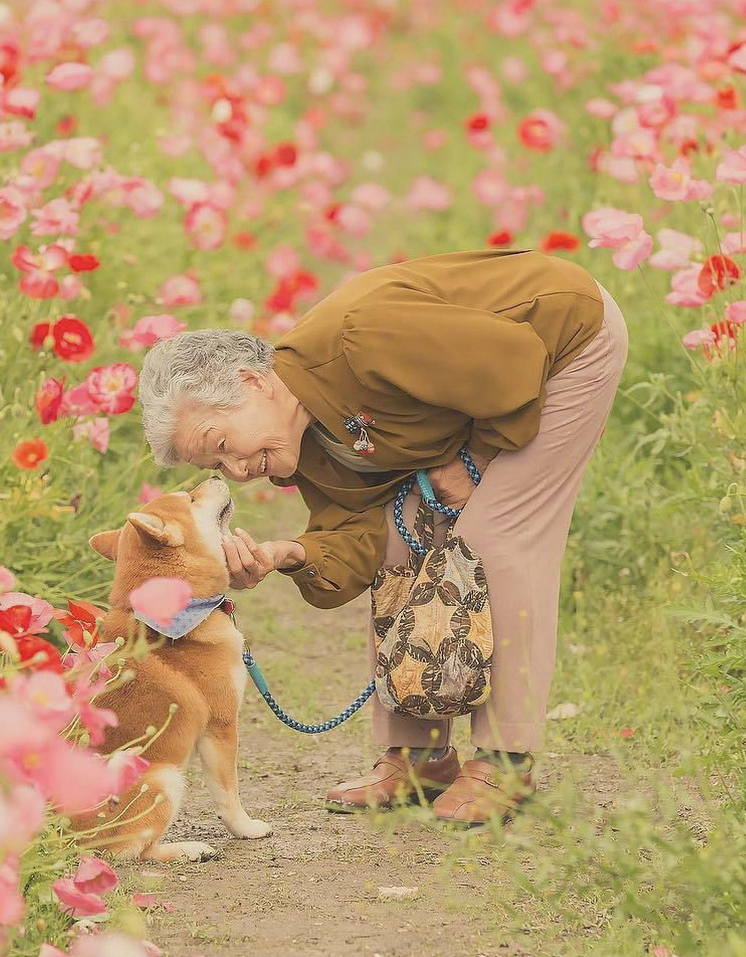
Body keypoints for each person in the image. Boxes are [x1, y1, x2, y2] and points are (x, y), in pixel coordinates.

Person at [137, 246, 629, 826]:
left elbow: (516, 362)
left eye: (223, 444)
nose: (239, 472)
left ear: (252, 383)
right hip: (491, 389)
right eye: (218, 467)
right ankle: (420, 756)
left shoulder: (361, 337)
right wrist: (287, 553)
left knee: (496, 536)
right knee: (403, 542)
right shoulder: (298, 446)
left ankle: (504, 762)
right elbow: (361, 533)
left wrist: (475, 454)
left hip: (564, 345)